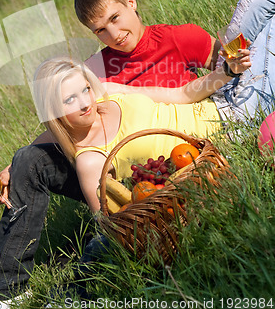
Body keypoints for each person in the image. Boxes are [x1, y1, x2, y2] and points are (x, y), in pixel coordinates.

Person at [0, 0, 275, 309]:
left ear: (130, 3)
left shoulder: (164, 50)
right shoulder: (95, 73)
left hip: (211, 115)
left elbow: (187, 88)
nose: (113, 34)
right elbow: (59, 117)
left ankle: (77, 285)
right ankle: (7, 294)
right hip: (162, 155)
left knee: (259, 0)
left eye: (114, 20)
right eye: (99, 30)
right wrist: (10, 171)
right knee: (29, 160)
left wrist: (229, 70)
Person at [33, 51, 251, 212]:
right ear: (53, 111)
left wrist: (227, 71)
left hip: (223, 98)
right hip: (232, 130)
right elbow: (112, 223)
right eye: (70, 99)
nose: (84, 103)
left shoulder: (109, 93)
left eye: (85, 90)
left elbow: (182, 95)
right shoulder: (90, 160)